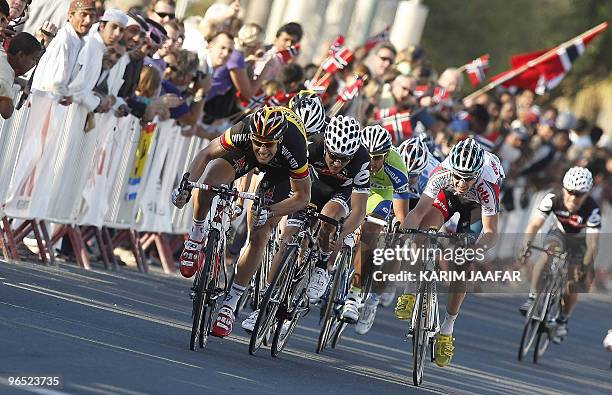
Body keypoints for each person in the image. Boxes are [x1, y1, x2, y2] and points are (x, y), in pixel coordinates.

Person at [171, 106, 311, 337]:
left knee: (259, 232)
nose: (263, 149)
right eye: (259, 142)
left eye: (269, 144)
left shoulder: (294, 146)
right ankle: (196, 236)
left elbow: (302, 197)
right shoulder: (243, 131)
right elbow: (206, 153)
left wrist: (272, 210)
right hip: (243, 155)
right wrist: (186, 185)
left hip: (281, 173)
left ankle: (230, 304)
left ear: (280, 140)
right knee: (210, 181)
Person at [399, 137, 505, 367]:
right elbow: (417, 213)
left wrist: (475, 252)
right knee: (423, 233)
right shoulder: (443, 174)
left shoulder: (487, 184)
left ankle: (447, 328)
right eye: (457, 176)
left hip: (476, 207)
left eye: (467, 178)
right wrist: (404, 236)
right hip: (448, 198)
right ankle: (410, 289)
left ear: (477, 174)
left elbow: (491, 232)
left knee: (461, 267)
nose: (460, 182)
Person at [519, 167, 601, 344]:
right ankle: (533, 298)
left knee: (573, 281)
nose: (573, 198)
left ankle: (563, 319)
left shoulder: (593, 209)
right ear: (563, 189)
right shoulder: (553, 198)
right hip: (558, 234)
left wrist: (585, 267)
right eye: (570, 192)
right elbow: (534, 225)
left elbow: (593, 244)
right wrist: (526, 245)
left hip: (580, 242)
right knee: (547, 254)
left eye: (579, 194)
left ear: (587, 194)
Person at [349, 125, 410, 334]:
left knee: (371, 235)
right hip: (359, 187)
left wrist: (398, 231)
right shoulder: (354, 155)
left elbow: (401, 214)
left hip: (383, 194)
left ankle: (359, 294)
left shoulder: (396, 165)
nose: (372, 162)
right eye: (368, 156)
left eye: (377, 158)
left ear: (386, 155)